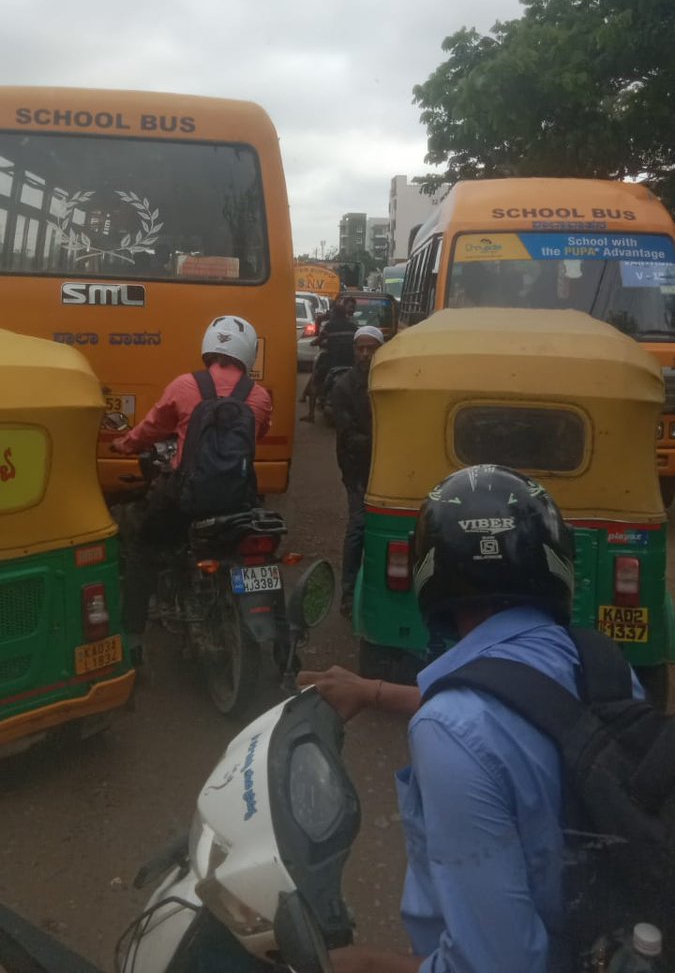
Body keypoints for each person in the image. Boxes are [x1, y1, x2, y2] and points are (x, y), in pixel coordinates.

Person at [299, 465, 644, 973]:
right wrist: (371, 691)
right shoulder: (601, 663)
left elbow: (496, 966)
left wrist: (365, 964)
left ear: (433, 571)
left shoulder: (449, 731)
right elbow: (523, 705)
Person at [110, 316, 272, 664]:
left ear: (208, 347)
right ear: (247, 354)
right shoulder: (258, 396)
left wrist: (125, 444)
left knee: (143, 546)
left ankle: (133, 637)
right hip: (239, 499)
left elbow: (152, 427)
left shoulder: (184, 385)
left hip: (185, 499)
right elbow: (256, 436)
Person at [330, 325, 384, 616]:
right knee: (359, 528)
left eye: (371, 348)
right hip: (358, 471)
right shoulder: (344, 387)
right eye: (360, 348)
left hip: (389, 469)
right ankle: (349, 595)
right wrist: (385, 439)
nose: (365, 353)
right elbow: (348, 435)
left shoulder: (389, 381)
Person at [301, 300, 357, 423]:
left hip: (333, 363)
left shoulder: (329, 326)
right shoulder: (353, 326)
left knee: (315, 382)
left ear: (334, 314)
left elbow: (318, 340)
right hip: (350, 364)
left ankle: (311, 415)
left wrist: (314, 342)